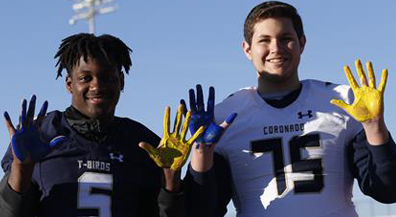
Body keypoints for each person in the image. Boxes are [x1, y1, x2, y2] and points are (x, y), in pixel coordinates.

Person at [184, 1, 396, 217]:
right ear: (247, 49)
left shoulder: (341, 102)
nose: (276, 48)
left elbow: (387, 190)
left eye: (285, 39)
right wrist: (202, 151)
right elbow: (201, 211)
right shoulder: (226, 117)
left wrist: (374, 127)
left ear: (302, 43)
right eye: (264, 40)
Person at [0, 33, 203, 217]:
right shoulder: (43, 134)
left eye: (107, 77)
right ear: (69, 84)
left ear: (121, 82)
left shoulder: (142, 142)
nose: (96, 86)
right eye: (85, 78)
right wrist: (22, 167)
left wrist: (171, 179)